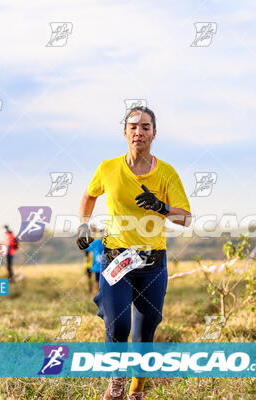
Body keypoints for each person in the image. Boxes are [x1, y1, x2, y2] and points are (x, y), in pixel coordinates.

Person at [76, 106, 191, 400]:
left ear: (154, 133)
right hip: (117, 259)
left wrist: (161, 207)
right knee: (118, 324)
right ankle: (116, 382)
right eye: (133, 127)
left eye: (145, 127)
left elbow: (186, 218)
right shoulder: (108, 168)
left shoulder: (166, 173)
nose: (138, 132)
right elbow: (89, 195)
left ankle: (136, 391)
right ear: (124, 132)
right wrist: (83, 225)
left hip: (153, 264)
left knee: (144, 333)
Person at [84, 227, 104, 295]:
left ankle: (103, 293)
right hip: (97, 266)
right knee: (97, 280)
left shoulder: (108, 243)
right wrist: (86, 257)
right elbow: (87, 249)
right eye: (102, 235)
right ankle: (98, 293)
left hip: (106, 266)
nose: (103, 236)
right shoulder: (96, 242)